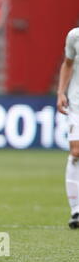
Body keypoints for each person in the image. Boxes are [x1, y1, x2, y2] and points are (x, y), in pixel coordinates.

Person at [57, 27, 79, 229]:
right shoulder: (74, 36)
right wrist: (61, 92)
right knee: (76, 151)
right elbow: (68, 63)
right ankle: (76, 210)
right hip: (76, 103)